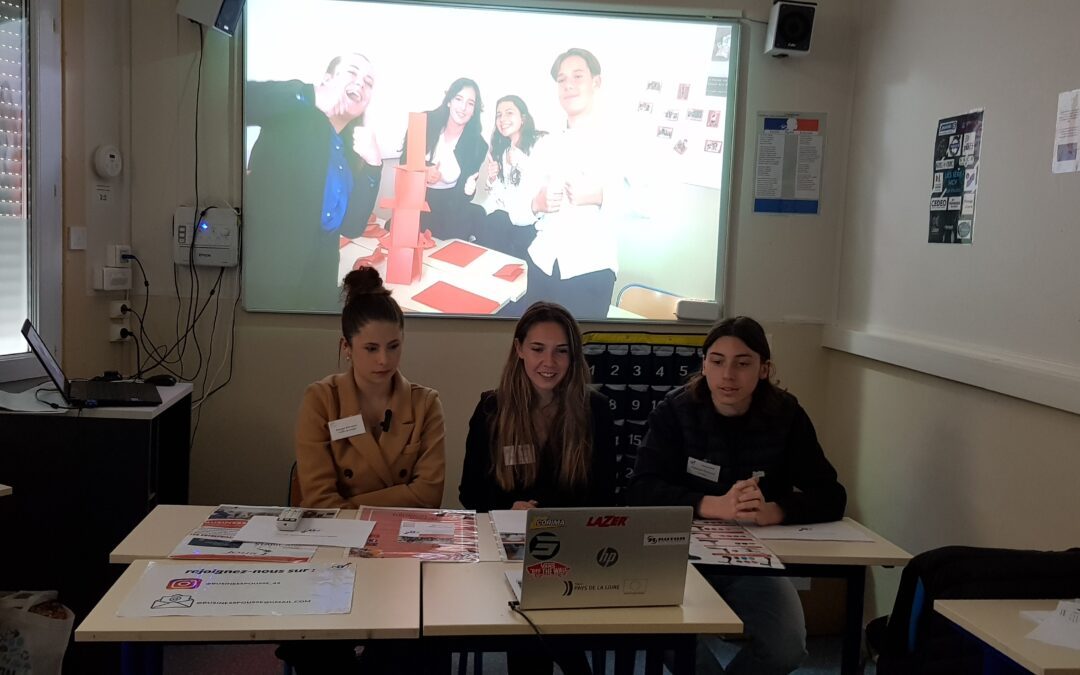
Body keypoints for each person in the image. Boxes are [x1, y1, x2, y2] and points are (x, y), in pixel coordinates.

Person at [628, 316, 847, 675]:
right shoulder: (675, 410)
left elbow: (832, 494)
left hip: (751, 561)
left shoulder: (786, 415)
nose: (728, 375)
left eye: (742, 363)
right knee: (669, 636)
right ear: (704, 365)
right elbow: (640, 490)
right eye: (717, 361)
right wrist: (712, 505)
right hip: (679, 556)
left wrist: (774, 511)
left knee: (787, 647)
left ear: (764, 369)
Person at [459, 301, 616, 675]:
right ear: (518, 350)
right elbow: (470, 493)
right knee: (530, 619)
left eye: (561, 351)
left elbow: (605, 495)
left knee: (535, 621)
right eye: (538, 349)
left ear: (574, 357)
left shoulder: (596, 411)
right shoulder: (491, 410)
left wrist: (553, 518)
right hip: (507, 551)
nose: (550, 362)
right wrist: (506, 513)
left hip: (576, 553)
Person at [294, 266, 446, 509]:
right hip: (336, 535)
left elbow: (428, 496)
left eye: (393, 346)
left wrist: (350, 504)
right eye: (371, 348)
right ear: (347, 347)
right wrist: (397, 498)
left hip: (401, 535)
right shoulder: (321, 399)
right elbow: (319, 499)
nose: (384, 360)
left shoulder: (425, 404)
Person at [245, 52, 384, 312]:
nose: (360, 84)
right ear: (327, 79)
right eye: (352, 73)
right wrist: (309, 94)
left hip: (319, 284)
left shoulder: (350, 151)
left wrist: (375, 166)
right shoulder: (292, 116)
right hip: (272, 283)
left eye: (368, 82)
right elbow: (241, 99)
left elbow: (353, 226)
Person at [509, 48, 627, 319]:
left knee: (580, 356)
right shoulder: (545, 144)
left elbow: (648, 206)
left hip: (590, 270)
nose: (568, 85)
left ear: (596, 82)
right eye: (562, 80)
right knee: (537, 353)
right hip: (542, 264)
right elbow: (517, 212)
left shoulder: (618, 141)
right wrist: (536, 203)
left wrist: (600, 195)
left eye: (577, 76)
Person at [397, 77, 488, 242]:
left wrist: (469, 190)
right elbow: (404, 163)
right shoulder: (425, 121)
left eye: (470, 103)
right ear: (449, 101)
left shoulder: (478, 144)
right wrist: (424, 171)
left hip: (450, 210)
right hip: (417, 202)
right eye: (458, 99)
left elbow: (464, 195)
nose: (463, 107)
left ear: (474, 110)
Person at [471, 95, 547, 259]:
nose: (502, 119)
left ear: (523, 118)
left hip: (533, 222)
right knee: (488, 218)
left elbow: (544, 182)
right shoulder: (504, 151)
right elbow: (504, 198)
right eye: (499, 115)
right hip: (512, 218)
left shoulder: (541, 142)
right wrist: (492, 180)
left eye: (509, 113)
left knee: (495, 222)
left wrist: (521, 163)